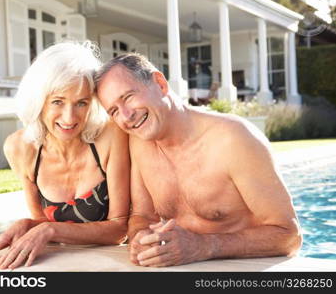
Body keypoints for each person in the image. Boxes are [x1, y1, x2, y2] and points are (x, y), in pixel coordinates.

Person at [95, 53, 302, 267]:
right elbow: (142, 215)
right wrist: (140, 238)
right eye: (114, 111)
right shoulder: (139, 141)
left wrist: (203, 246)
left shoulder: (234, 139)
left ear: (160, 83)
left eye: (128, 97)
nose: (126, 116)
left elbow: (289, 236)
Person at [0, 41, 130, 270]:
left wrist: (49, 229)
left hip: (115, 264)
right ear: (38, 101)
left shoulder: (110, 137)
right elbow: (43, 222)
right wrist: (27, 225)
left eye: (81, 103)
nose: (69, 118)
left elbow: (119, 230)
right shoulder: (20, 148)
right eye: (57, 101)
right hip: (64, 263)